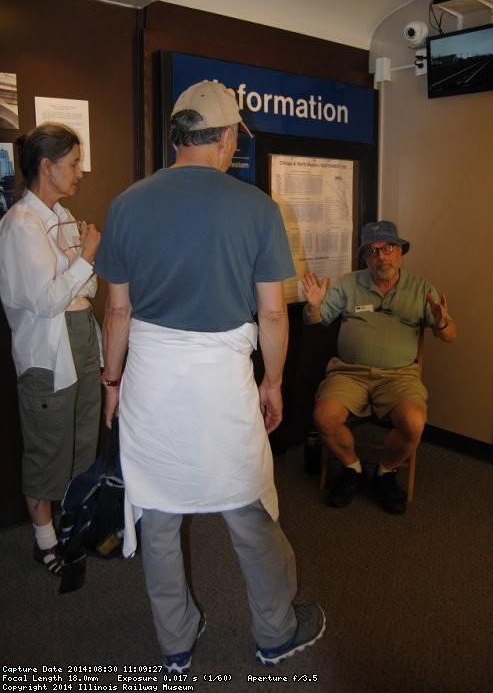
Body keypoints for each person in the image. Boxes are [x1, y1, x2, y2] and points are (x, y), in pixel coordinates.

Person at [94, 81, 325, 673]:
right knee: (248, 504)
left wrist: (112, 384)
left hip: (149, 380)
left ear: (178, 136)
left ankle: (175, 641)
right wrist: (272, 382)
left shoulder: (125, 204)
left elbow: (116, 311)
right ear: (224, 138)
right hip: (222, 383)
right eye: (233, 141)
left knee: (159, 512)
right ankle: (274, 631)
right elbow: (273, 312)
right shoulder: (255, 207)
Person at [302, 219, 457, 514]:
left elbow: (450, 336)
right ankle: (354, 470)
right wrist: (313, 306)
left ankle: (386, 473)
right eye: (372, 251)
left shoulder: (420, 288)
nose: (380, 256)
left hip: (399, 377)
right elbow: (317, 319)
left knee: (413, 423)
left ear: (400, 251)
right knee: (324, 417)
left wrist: (442, 323)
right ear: (365, 258)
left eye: (387, 248)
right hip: (349, 372)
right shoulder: (349, 283)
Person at [0, 123, 101, 574]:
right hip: (48, 357)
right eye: (73, 164)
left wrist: (81, 260)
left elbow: (89, 289)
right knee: (46, 450)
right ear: (47, 166)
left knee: (81, 444)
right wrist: (85, 257)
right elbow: (45, 300)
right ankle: (44, 542)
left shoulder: (59, 217)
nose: (79, 173)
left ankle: (71, 527)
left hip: (80, 343)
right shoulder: (21, 224)